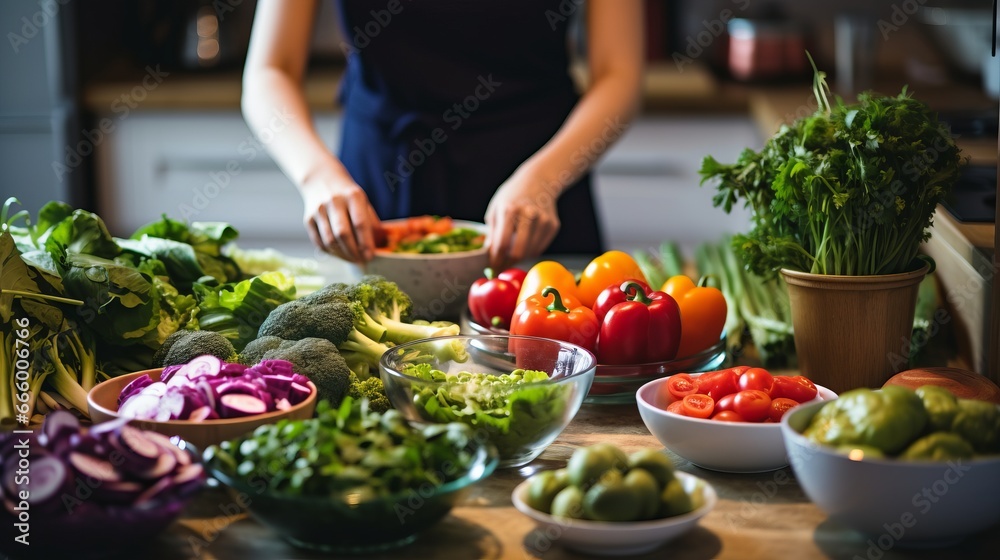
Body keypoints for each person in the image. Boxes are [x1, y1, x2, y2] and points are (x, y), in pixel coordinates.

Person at [242, 0, 644, 270]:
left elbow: (619, 75)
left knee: (549, 379)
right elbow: (270, 69)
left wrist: (544, 179)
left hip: (539, 183)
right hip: (379, 179)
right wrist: (318, 178)